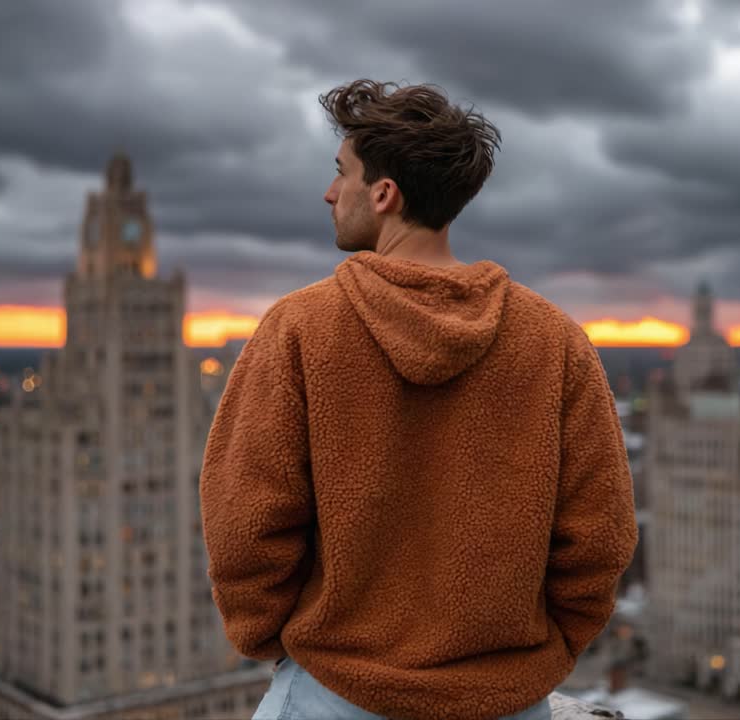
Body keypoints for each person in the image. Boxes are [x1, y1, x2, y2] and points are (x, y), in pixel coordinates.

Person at [200, 79, 638, 720]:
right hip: (504, 702)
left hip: (331, 693)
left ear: (383, 194)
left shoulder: (300, 329)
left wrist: (284, 641)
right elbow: (600, 537)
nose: (328, 193)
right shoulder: (556, 341)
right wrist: (540, 656)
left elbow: (245, 526)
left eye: (340, 173)